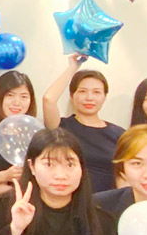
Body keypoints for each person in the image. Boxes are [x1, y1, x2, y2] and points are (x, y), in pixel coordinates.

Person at [42, 55, 124, 193]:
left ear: (104, 97)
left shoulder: (119, 134)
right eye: (82, 91)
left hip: (106, 201)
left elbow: (123, 176)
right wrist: (73, 67)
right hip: (68, 198)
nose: (89, 98)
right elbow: (48, 99)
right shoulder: (61, 128)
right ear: (72, 96)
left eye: (96, 92)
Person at [0, 71, 37, 218]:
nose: (17, 102)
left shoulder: (35, 132)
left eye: (24, 96)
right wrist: (4, 176)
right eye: (10, 95)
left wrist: (11, 192)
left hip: (30, 210)